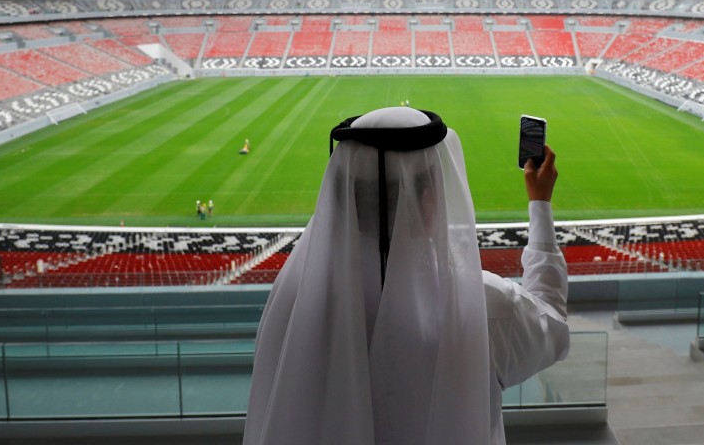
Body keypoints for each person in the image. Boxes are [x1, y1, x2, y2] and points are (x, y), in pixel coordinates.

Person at [244, 107, 569, 445]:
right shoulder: (481, 306)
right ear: (427, 200)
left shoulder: (294, 303)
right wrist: (540, 205)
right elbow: (553, 323)